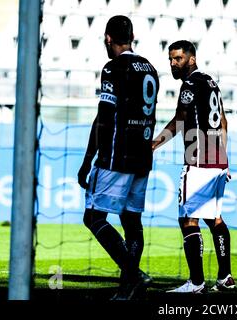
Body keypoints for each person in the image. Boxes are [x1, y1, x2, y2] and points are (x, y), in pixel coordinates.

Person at [77, 15, 159, 300]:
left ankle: (133, 274)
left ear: (107, 38)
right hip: (143, 157)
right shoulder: (150, 68)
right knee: (131, 221)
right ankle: (129, 286)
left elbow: (104, 117)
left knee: (93, 216)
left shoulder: (113, 68)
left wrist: (88, 160)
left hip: (117, 156)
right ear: (132, 36)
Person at [152, 40, 235, 293]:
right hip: (217, 159)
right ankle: (225, 277)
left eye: (177, 59)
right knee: (215, 218)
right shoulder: (211, 82)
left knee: (188, 219)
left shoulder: (189, 84)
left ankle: (196, 283)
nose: (173, 64)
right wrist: (224, 157)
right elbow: (223, 121)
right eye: (170, 59)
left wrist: (154, 144)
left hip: (197, 158)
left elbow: (179, 120)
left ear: (192, 59)